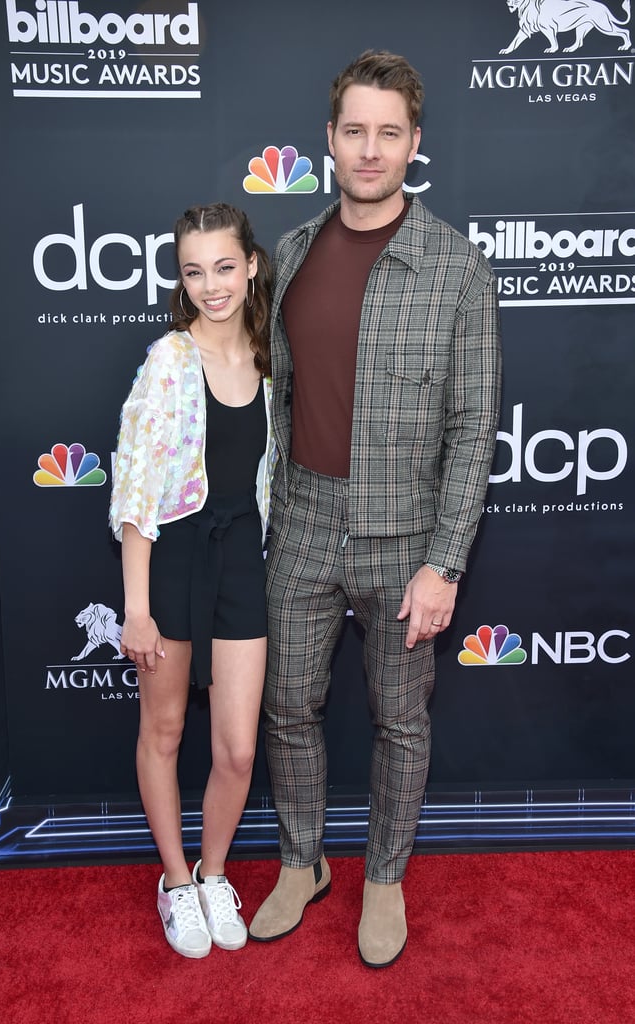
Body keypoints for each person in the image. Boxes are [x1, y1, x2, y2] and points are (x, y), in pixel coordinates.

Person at [248, 51, 502, 967]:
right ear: (329, 139)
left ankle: (385, 877)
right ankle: (302, 862)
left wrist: (446, 562)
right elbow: (273, 397)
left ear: (414, 144)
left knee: (401, 720)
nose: (369, 149)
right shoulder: (290, 251)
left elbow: (476, 424)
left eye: (388, 132)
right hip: (304, 522)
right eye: (353, 130)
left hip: (407, 538)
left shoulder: (457, 267)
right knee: (287, 707)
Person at [109, 202, 276, 959]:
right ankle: (176, 882)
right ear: (181, 278)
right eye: (193, 270)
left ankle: (215, 873)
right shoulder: (168, 361)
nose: (211, 285)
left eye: (224, 266)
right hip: (173, 556)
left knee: (237, 750)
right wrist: (135, 610)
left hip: (243, 556)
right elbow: (136, 494)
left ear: (251, 265)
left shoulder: (271, 356)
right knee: (167, 730)